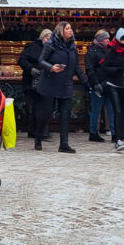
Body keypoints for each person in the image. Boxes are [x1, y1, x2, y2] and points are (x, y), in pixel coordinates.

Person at [36, 20, 88, 153]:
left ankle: (63, 144)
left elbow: (76, 65)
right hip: (50, 82)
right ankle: (38, 136)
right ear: (61, 31)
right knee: (47, 112)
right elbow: (41, 61)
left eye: (71, 29)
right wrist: (51, 67)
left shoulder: (72, 46)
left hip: (65, 83)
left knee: (65, 113)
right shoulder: (50, 44)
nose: (71, 31)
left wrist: (85, 81)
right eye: (68, 29)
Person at [101, 27, 124, 151]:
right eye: (123, 38)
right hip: (113, 84)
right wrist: (118, 69)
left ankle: (121, 133)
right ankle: (117, 138)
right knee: (118, 111)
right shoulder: (111, 51)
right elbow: (105, 68)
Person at [18, 29, 52, 140]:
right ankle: (41, 132)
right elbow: (21, 60)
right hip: (31, 81)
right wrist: (31, 69)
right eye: (47, 38)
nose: (48, 40)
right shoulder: (32, 47)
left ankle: (34, 131)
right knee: (39, 106)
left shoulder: (50, 49)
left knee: (39, 106)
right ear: (42, 38)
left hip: (44, 80)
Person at [84, 29, 116, 142]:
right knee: (96, 110)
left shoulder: (110, 51)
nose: (108, 40)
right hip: (98, 85)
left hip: (108, 84)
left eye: (108, 38)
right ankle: (93, 132)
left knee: (111, 109)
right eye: (106, 38)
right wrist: (96, 83)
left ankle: (114, 132)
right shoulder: (92, 52)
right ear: (100, 40)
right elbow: (90, 70)